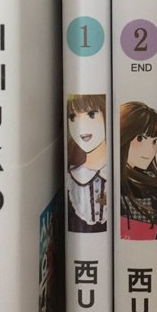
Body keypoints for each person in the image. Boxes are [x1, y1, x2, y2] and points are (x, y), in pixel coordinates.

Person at [66, 93, 108, 233]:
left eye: (91, 114)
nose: (81, 126)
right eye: (72, 117)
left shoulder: (119, 170)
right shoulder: (71, 175)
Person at [120, 101, 157, 240]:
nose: (150, 150)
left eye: (155, 141)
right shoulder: (111, 182)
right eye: (140, 139)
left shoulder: (153, 182)